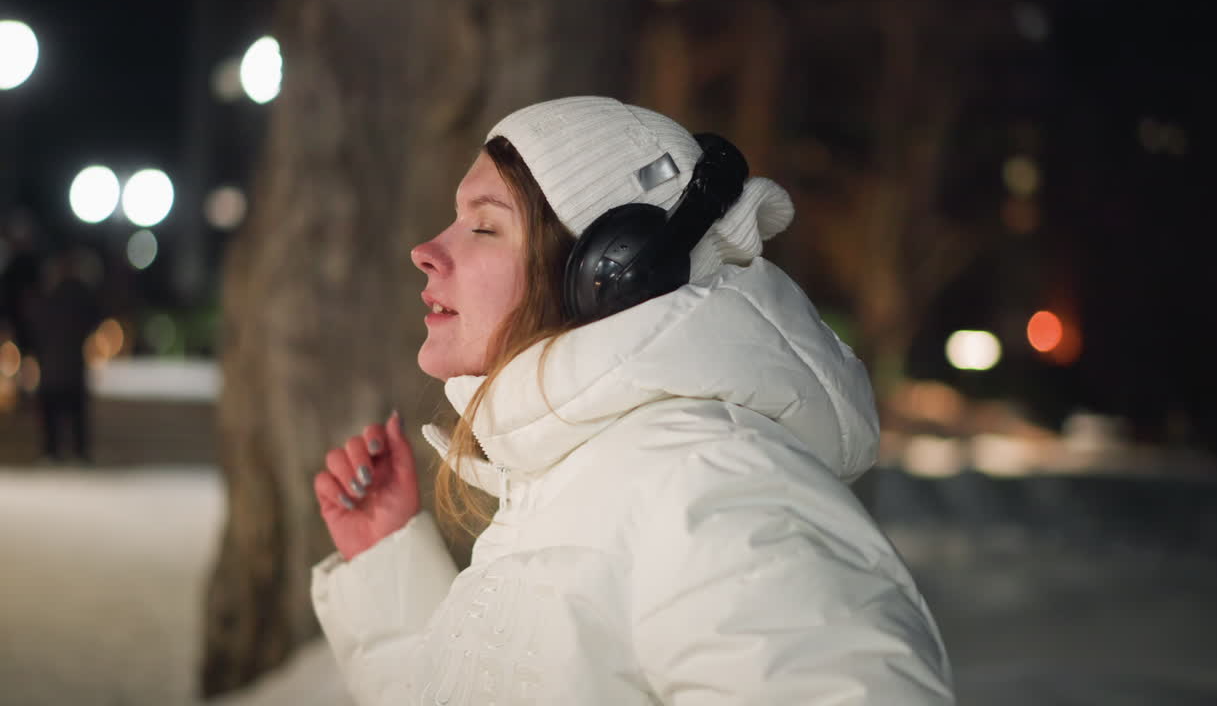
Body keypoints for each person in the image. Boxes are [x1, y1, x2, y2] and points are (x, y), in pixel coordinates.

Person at [312, 96, 952, 704]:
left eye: (484, 226)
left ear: (611, 273)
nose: (425, 252)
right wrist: (385, 563)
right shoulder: (578, 478)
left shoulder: (709, 481)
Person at [30, 248, 101, 463]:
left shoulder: (52, 294)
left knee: (58, 407)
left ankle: (55, 449)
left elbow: (36, 324)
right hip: (66, 362)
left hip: (57, 362)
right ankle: (73, 449)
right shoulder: (76, 294)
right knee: (70, 407)